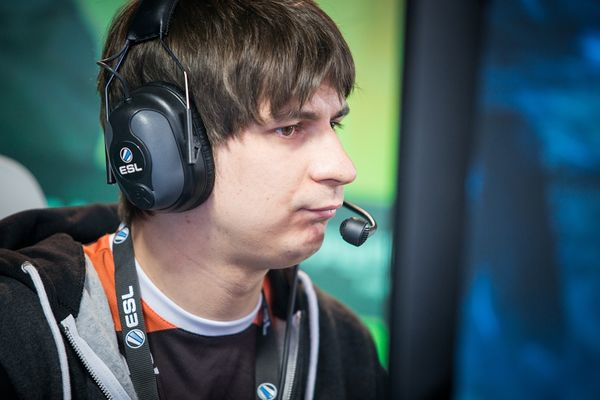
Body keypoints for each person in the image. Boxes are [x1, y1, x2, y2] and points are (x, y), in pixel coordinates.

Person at [0, 0, 386, 398]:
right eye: (289, 128)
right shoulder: (19, 335)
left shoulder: (342, 344)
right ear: (158, 146)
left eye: (334, 124)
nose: (343, 168)